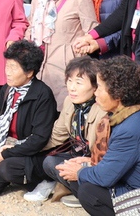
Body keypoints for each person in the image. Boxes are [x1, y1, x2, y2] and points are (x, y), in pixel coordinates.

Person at [57, 56, 140, 216]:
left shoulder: (130, 128)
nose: (96, 93)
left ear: (118, 94)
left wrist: (79, 172)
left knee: (88, 191)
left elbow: (104, 177)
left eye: (100, 88)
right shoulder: (130, 115)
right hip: (138, 184)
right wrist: (88, 163)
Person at [0, 40, 57, 197]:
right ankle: (14, 172)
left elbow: (39, 139)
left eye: (13, 68)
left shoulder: (42, 95)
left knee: (7, 167)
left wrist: (4, 154)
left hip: (31, 149)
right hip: (8, 144)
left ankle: (43, 178)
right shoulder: (7, 89)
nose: (8, 72)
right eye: (7, 66)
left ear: (29, 72)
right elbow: (0, 123)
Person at [24, 57, 106, 205]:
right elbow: (56, 137)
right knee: (49, 162)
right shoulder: (70, 101)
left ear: (95, 87)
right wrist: (24, 147)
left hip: (97, 163)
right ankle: (76, 189)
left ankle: (85, 193)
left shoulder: (102, 109)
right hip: (77, 156)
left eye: (79, 83)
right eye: (69, 81)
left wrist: (89, 163)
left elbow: (107, 153)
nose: (72, 87)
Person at [24, 0, 97, 109]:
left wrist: (76, 52)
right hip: (38, 64)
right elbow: (30, 24)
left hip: (66, 67)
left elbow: (91, 31)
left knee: (63, 112)